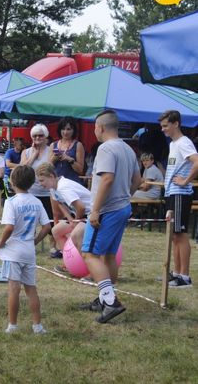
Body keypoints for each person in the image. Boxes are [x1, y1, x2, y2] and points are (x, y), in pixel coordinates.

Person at [80, 109, 141, 323]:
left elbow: (106, 179)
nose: (95, 131)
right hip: (122, 207)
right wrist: (125, 197)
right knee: (108, 255)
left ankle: (110, 302)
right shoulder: (127, 149)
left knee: (89, 253)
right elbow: (137, 180)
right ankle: (104, 297)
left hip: (106, 210)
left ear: (102, 128)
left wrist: (95, 210)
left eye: (95, 127)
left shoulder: (106, 149)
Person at [0, 165, 51, 334]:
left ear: (12, 182)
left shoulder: (11, 202)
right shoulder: (36, 201)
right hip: (28, 251)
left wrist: (1, 242)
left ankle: (12, 325)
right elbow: (47, 227)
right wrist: (34, 241)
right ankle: (37, 325)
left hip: (13, 252)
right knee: (31, 289)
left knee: (13, 289)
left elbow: (9, 227)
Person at [159, 110, 198, 288]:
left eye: (166, 126)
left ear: (176, 124)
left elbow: (197, 161)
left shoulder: (184, 142)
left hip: (180, 193)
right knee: (174, 235)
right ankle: (176, 273)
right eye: (162, 126)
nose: (163, 129)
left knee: (181, 234)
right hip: (172, 192)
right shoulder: (173, 144)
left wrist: (185, 180)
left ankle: (185, 276)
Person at [36, 162, 91, 273]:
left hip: (91, 214)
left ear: (51, 176)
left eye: (42, 180)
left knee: (76, 234)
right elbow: (61, 204)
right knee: (56, 230)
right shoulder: (53, 188)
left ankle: (89, 270)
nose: (40, 184)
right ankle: (68, 262)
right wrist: (69, 218)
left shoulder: (63, 187)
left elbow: (81, 208)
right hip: (78, 215)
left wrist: (75, 222)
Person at [20, 124, 57, 255]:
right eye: (35, 135)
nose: (37, 138)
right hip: (31, 191)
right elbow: (22, 169)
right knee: (30, 221)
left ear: (45, 136)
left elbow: (50, 167)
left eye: (40, 135)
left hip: (48, 192)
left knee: (51, 220)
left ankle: (53, 247)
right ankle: (29, 246)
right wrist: (34, 155)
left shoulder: (51, 149)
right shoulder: (26, 152)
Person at [49, 116, 85, 185]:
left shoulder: (78, 145)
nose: (65, 132)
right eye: (63, 129)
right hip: (56, 184)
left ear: (73, 130)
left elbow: (81, 171)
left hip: (72, 184)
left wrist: (70, 159)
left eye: (68, 129)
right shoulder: (53, 145)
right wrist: (53, 159)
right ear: (59, 130)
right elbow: (47, 168)